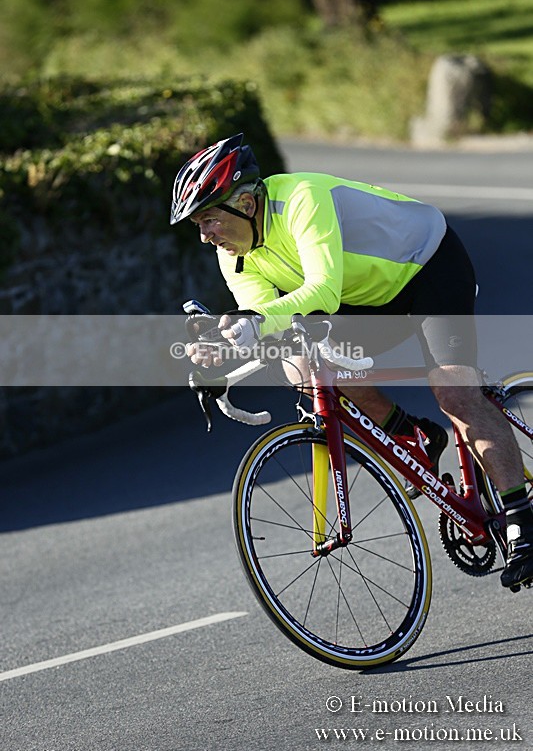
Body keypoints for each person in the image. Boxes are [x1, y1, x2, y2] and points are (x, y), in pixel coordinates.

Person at [170, 133, 533, 589]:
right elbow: (266, 322)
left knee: (455, 393)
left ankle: (521, 520)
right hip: (365, 299)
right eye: (198, 225)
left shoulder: (301, 199)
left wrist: (255, 324)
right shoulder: (235, 257)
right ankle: (411, 434)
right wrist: (221, 355)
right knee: (303, 365)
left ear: (244, 203)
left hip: (429, 267)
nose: (204, 236)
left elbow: (321, 291)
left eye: (208, 220)